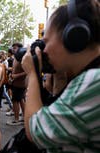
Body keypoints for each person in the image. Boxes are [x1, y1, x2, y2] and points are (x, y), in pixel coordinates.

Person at [21, 0, 100, 152]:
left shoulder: (93, 81)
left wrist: (32, 74)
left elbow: (34, 131)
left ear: (73, 36)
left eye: (46, 42)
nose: (43, 51)